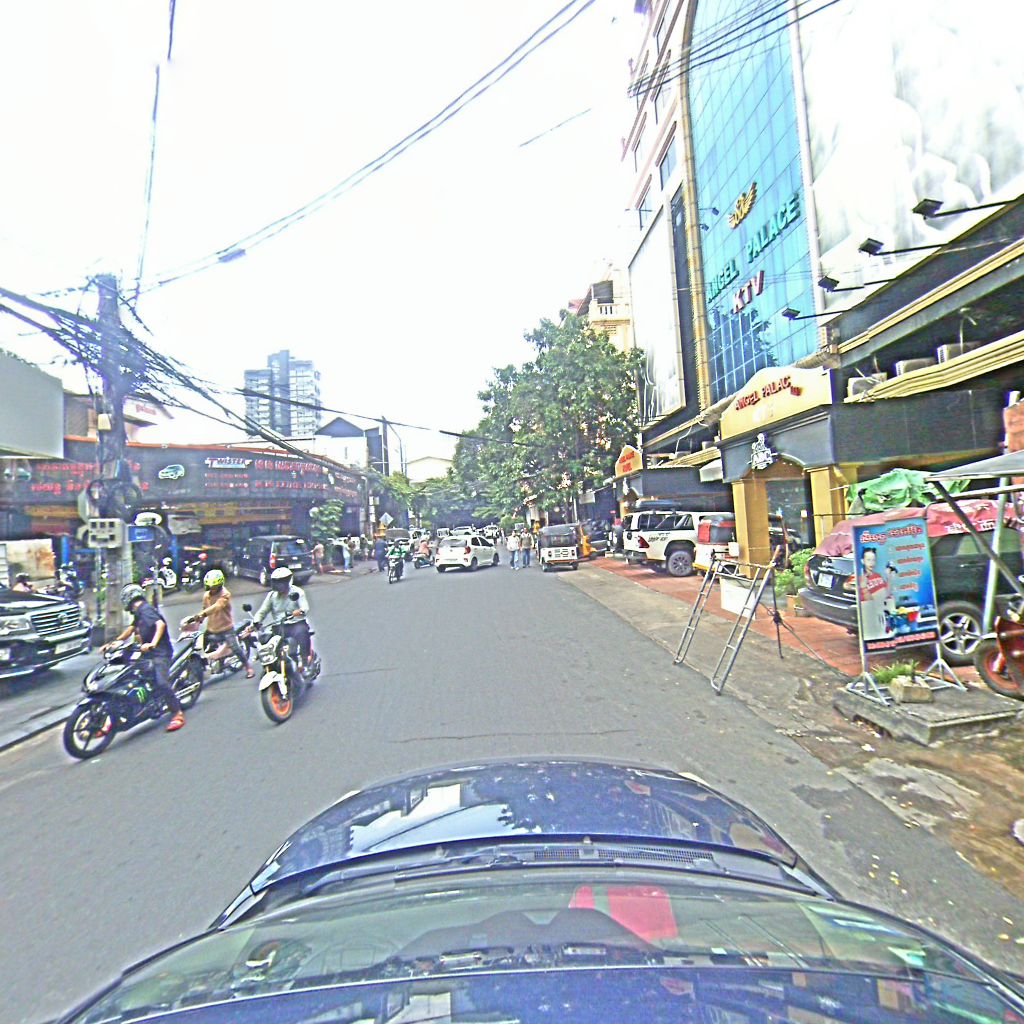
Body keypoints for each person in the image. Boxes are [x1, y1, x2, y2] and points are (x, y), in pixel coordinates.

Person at [108, 584, 184, 732]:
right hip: (148, 653)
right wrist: (116, 642)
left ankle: (177, 713)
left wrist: (153, 643)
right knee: (130, 674)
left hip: (160, 653)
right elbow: (131, 629)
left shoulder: (146, 610)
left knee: (162, 683)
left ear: (128, 599)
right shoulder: (139, 612)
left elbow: (160, 624)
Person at [183, 569, 254, 679]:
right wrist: (198, 620)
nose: (213, 589)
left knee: (235, 648)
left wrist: (202, 614)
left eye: (215, 587)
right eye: (210, 587)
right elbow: (205, 609)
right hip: (211, 628)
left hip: (226, 628)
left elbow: (217, 607)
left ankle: (248, 667)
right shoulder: (206, 596)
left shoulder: (225, 594)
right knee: (199, 647)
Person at [253, 567, 313, 667]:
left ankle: (305, 661)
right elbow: (262, 611)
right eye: (276, 582)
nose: (279, 585)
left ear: (288, 581)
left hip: (296, 623)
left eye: (281, 581)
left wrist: (299, 611)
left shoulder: (298, 592)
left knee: (302, 633)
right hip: (279, 626)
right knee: (267, 641)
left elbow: (305, 607)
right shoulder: (271, 596)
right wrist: (256, 621)